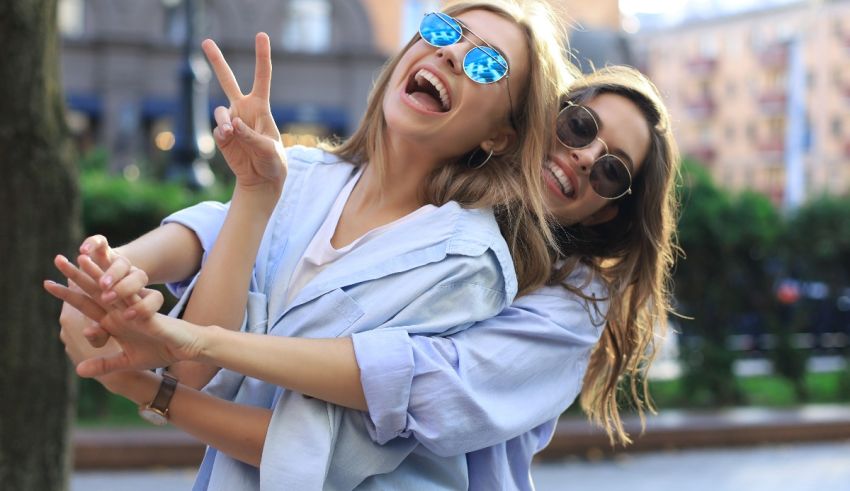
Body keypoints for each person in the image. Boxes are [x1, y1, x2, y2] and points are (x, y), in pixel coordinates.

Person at [50, 65, 680, 490]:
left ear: (609, 209)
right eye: (580, 126)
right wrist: (114, 272)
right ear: (539, 117)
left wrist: (169, 371)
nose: (585, 156)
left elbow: (395, 396)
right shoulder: (437, 202)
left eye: (613, 172)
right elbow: (246, 226)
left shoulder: (570, 307)